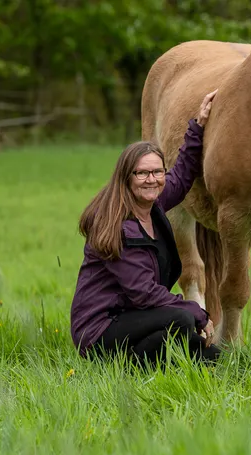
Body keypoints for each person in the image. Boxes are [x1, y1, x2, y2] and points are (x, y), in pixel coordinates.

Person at [69, 91, 219, 366]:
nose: (152, 180)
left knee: (191, 344)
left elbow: (182, 175)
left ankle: (240, 369)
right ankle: (116, 364)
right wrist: (197, 311)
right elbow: (144, 292)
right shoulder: (117, 225)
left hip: (133, 317)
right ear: (126, 178)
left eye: (157, 172)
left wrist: (197, 126)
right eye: (143, 173)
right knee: (181, 319)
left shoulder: (152, 204)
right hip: (101, 328)